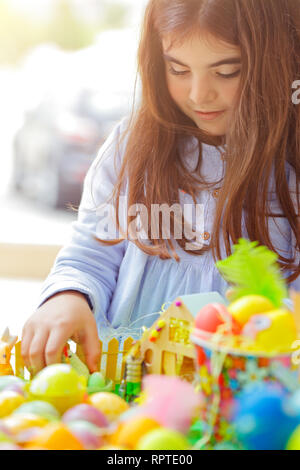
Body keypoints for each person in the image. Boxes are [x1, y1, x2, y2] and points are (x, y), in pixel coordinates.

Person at [21, 0, 300, 374]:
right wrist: (68, 295)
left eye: (228, 71)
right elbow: (92, 252)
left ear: (278, 60)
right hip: (125, 388)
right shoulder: (133, 145)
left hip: (245, 401)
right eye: (178, 68)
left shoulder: (288, 169)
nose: (200, 94)